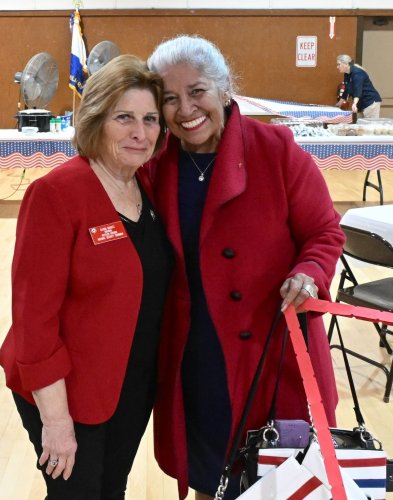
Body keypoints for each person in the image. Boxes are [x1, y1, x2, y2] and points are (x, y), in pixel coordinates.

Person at [146, 35, 346, 500]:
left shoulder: (274, 149)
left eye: (197, 92)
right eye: (170, 98)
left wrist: (309, 272)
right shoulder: (156, 161)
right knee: (213, 474)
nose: (185, 109)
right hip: (197, 355)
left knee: (286, 479)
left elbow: (324, 232)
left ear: (225, 89)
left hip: (273, 350)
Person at [0, 54, 172, 499]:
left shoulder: (144, 184)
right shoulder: (56, 195)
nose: (140, 132)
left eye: (150, 119)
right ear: (95, 120)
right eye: (124, 117)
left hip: (129, 385)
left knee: (111, 489)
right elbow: (33, 323)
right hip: (65, 392)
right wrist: (55, 423)